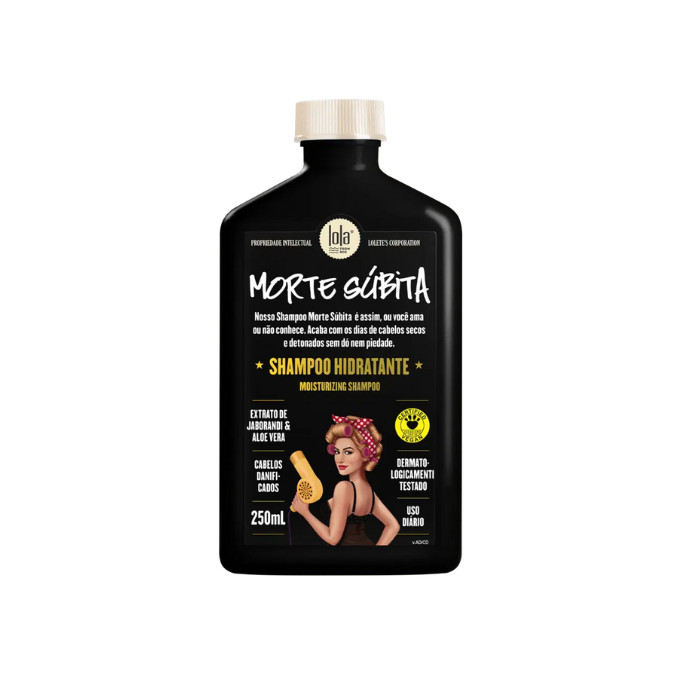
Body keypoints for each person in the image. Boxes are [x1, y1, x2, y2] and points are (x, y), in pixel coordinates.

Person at [291, 415, 400, 546]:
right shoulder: (370, 493)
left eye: (348, 452)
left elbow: (332, 539)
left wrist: (305, 513)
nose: (340, 459)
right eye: (337, 452)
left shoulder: (344, 488)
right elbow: (393, 526)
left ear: (365, 455)